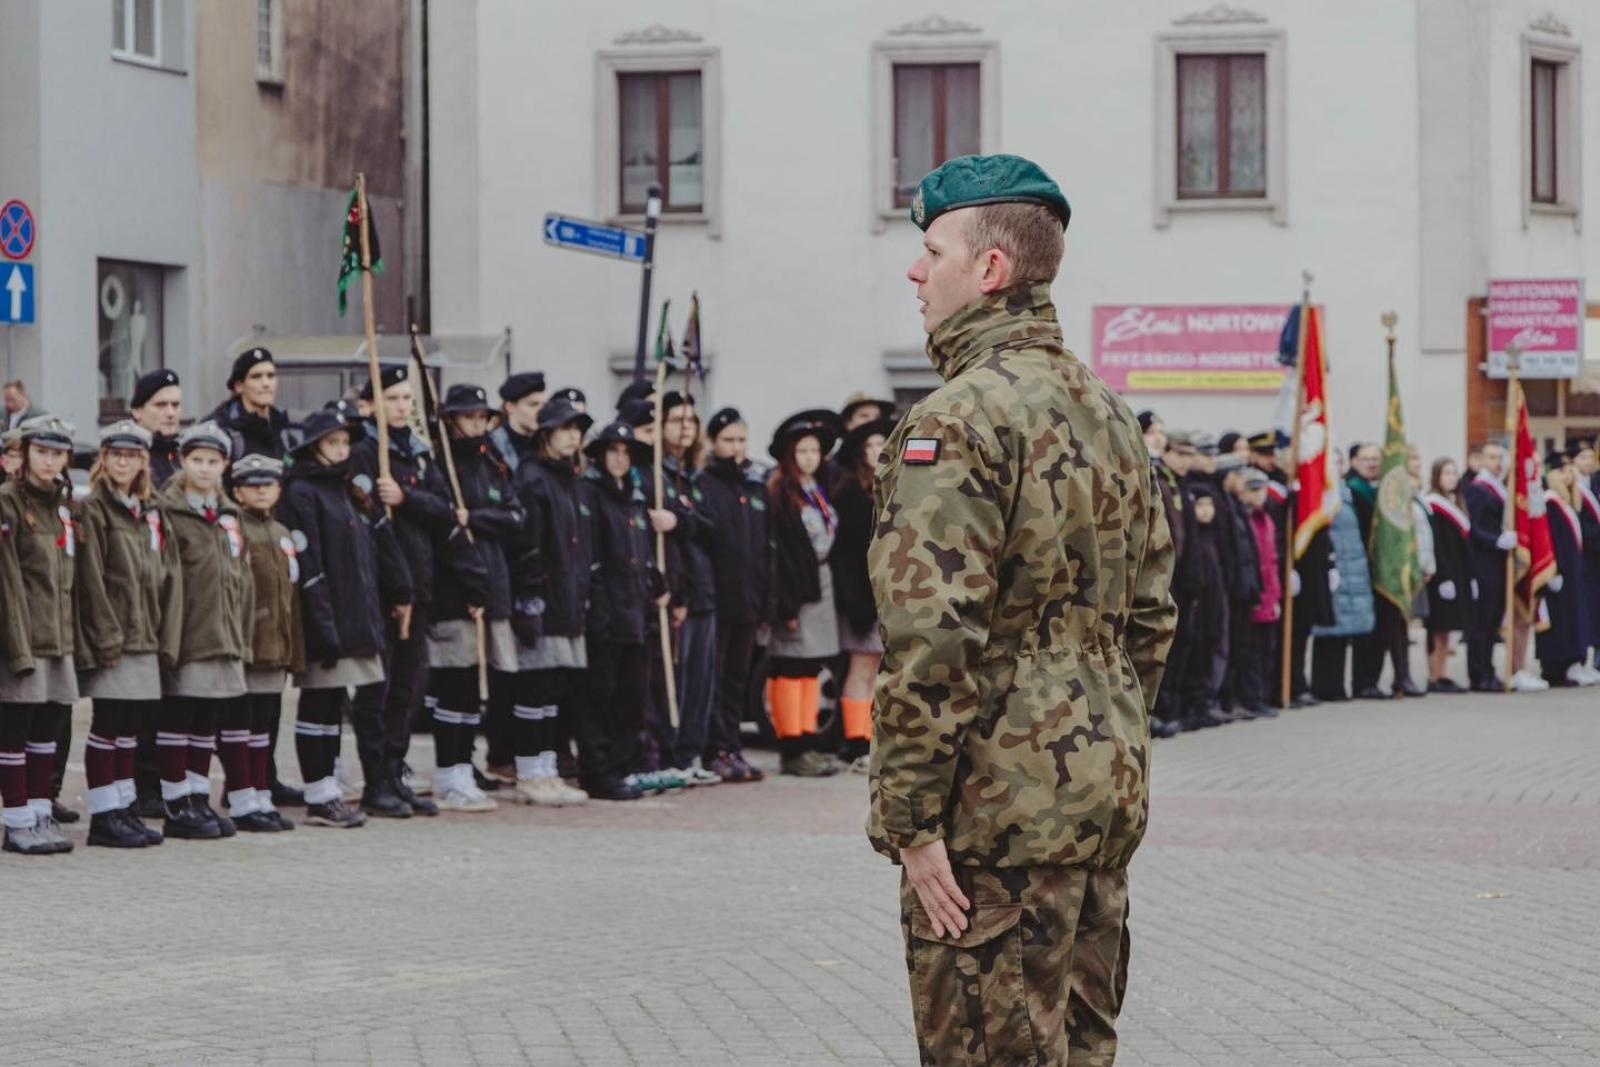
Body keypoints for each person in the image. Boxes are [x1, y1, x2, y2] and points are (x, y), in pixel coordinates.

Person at [873, 156, 1176, 1064]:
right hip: (1093, 799)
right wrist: (1097, 735)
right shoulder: (1109, 413)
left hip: (991, 817)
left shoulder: (956, 418)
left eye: (933, 251)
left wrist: (914, 822)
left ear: (991, 269)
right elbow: (1153, 617)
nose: (916, 272)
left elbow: (932, 639)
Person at [281, 408, 413, 826]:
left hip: (359, 614)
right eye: (332, 443)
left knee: (335, 704)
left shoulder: (351, 491)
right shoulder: (302, 492)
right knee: (318, 703)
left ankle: (331, 787)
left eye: (344, 443)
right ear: (315, 447)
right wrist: (323, 625)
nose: (340, 450)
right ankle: (319, 792)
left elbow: (381, 545)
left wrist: (400, 590)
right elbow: (311, 565)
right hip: (326, 618)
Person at [73, 420, 180, 848]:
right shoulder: (94, 508)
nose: (123, 461)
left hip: (145, 635)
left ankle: (123, 805)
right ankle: (104, 815)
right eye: (116, 453)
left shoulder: (148, 511)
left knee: (133, 725)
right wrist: (105, 635)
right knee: (109, 723)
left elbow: (165, 573)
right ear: (104, 459)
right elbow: (92, 579)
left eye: (132, 455)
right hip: (115, 636)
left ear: (143, 462)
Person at [351, 364, 446, 817]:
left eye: (408, 398)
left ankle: (395, 767)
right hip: (384, 589)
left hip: (420, 582)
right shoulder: (364, 453)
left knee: (409, 687)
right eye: (393, 398)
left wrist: (407, 498)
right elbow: (367, 522)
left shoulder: (420, 455)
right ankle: (375, 779)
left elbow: (444, 510)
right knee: (379, 688)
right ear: (373, 405)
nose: (403, 406)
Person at [156, 421, 255, 840]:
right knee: (180, 715)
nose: (204, 469)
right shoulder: (169, 512)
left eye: (213, 461)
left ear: (225, 465)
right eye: (196, 460)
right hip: (188, 631)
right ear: (182, 461)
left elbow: (239, 576)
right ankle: (176, 801)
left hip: (223, 632)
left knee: (207, 719)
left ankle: (198, 796)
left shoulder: (229, 515)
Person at [425, 384, 515, 812]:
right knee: (454, 683)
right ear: (451, 420)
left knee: (475, 687)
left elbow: (515, 517)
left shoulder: (492, 463)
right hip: (453, 589)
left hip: (490, 583)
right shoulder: (439, 465)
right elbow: (443, 530)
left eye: (483, 417)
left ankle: (465, 763)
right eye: (469, 416)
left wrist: (475, 517)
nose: (477, 424)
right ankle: (449, 769)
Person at [507, 396, 594, 807]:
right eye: (566, 428)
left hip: (570, 600)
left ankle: (546, 767)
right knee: (534, 687)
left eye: (578, 428)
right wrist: (530, 596)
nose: (574, 435)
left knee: (555, 689)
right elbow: (525, 543)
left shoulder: (573, 480)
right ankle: (527, 771)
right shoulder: (532, 478)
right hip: (542, 599)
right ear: (546, 434)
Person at [0, 416, 81, 854]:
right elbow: (8, 580)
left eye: (57, 453)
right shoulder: (8, 502)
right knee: (15, 730)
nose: (49, 461)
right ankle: (15, 822)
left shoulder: (65, 506)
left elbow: (71, 579)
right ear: (25, 452)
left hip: (58, 637)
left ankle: (39, 814)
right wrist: (17, 648)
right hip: (23, 638)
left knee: (46, 733)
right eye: (42, 451)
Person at [581, 420, 657, 801]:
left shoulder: (635, 498)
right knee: (601, 695)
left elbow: (639, 552)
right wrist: (598, 608)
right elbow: (592, 556)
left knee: (631, 696)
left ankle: (622, 765)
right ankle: (598, 770)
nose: (619, 459)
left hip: (636, 613)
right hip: (606, 614)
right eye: (613, 451)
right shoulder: (592, 495)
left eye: (626, 453)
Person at [767, 409, 844, 777]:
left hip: (822, 579)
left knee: (813, 667)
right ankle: (792, 746)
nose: (810, 458)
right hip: (796, 586)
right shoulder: (781, 492)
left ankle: (809, 739)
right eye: (802, 451)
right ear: (789, 455)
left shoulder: (819, 489)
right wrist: (786, 602)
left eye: (815, 451)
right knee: (791, 664)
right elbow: (781, 552)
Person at [697, 408, 768, 783]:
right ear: (713, 442)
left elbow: (761, 547)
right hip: (718, 599)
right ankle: (714, 748)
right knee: (716, 674)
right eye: (728, 440)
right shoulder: (704, 483)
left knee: (736, 680)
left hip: (748, 599)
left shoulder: (753, 486)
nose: (736, 448)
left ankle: (732, 745)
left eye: (741, 440)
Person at [233, 453, 301, 831]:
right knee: (242, 725)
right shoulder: (237, 530)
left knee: (266, 725)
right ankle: (242, 795)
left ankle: (260, 791)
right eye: (252, 484)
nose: (261, 491)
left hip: (276, 646)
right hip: (248, 644)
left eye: (268, 484)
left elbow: (291, 597)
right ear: (238, 492)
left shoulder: (281, 534)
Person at [659, 392, 721, 786]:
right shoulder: (657, 474)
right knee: (677, 680)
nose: (686, 426)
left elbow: (711, 528)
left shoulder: (696, 475)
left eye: (691, 419)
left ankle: (693, 751)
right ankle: (674, 752)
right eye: (676, 419)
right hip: (680, 590)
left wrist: (684, 520)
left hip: (704, 589)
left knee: (702, 679)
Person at [830, 414, 894, 770]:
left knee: (877, 668)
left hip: (884, 594)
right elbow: (848, 554)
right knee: (861, 666)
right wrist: (856, 602)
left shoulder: (888, 487)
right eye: (869, 445)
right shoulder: (851, 493)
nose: (876, 451)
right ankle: (856, 741)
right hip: (861, 594)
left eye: (881, 443)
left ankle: (869, 736)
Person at [1536, 451, 1593, 686]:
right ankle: (1554, 668)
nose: (1568, 476)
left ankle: (1570, 664)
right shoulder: (1550, 501)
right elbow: (1551, 539)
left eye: (1571, 471)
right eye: (1563, 471)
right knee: (1559, 619)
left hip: (1572, 571)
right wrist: (1554, 570)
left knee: (1572, 618)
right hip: (1557, 572)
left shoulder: (1568, 502)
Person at [1463, 441, 1516, 691]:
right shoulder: (1478, 489)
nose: (1497, 463)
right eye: (1492, 457)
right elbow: (1473, 527)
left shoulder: (1500, 487)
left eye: (1500, 458)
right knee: (1482, 622)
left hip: (1497, 563)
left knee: (1493, 620)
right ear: (1481, 460)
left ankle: (1488, 669)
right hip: (1484, 563)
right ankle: (1478, 673)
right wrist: (1497, 541)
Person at [1424, 458, 1474, 692]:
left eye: (1454, 473)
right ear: (1437, 476)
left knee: (1449, 628)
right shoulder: (1432, 504)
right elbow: (1436, 544)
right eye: (1446, 473)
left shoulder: (1457, 502)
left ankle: (1443, 673)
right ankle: (1433, 675)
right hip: (1442, 575)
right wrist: (1443, 577)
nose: (1452, 477)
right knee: (1437, 627)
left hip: (1459, 573)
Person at [1235, 469, 1281, 716]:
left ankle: (1264, 695)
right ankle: (1252, 698)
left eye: (1261, 490)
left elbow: (1272, 562)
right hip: (1254, 594)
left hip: (1268, 595)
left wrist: (1276, 597)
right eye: (1253, 490)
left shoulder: (1267, 520)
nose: (1258, 496)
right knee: (1250, 651)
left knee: (1266, 650)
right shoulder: (1245, 518)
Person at [210, 347, 291, 460]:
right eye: (256, 377)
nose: (266, 383)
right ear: (239, 386)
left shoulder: (284, 429)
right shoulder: (221, 429)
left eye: (271, 376)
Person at [130, 369, 183, 487]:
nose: (170, 413)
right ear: (137, 412)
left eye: (175, 405)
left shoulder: (185, 454)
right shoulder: (127, 457)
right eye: (161, 405)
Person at [487, 371, 546, 473]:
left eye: (544, 405)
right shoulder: (493, 445)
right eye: (533, 404)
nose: (541, 411)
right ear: (510, 407)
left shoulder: (546, 444)